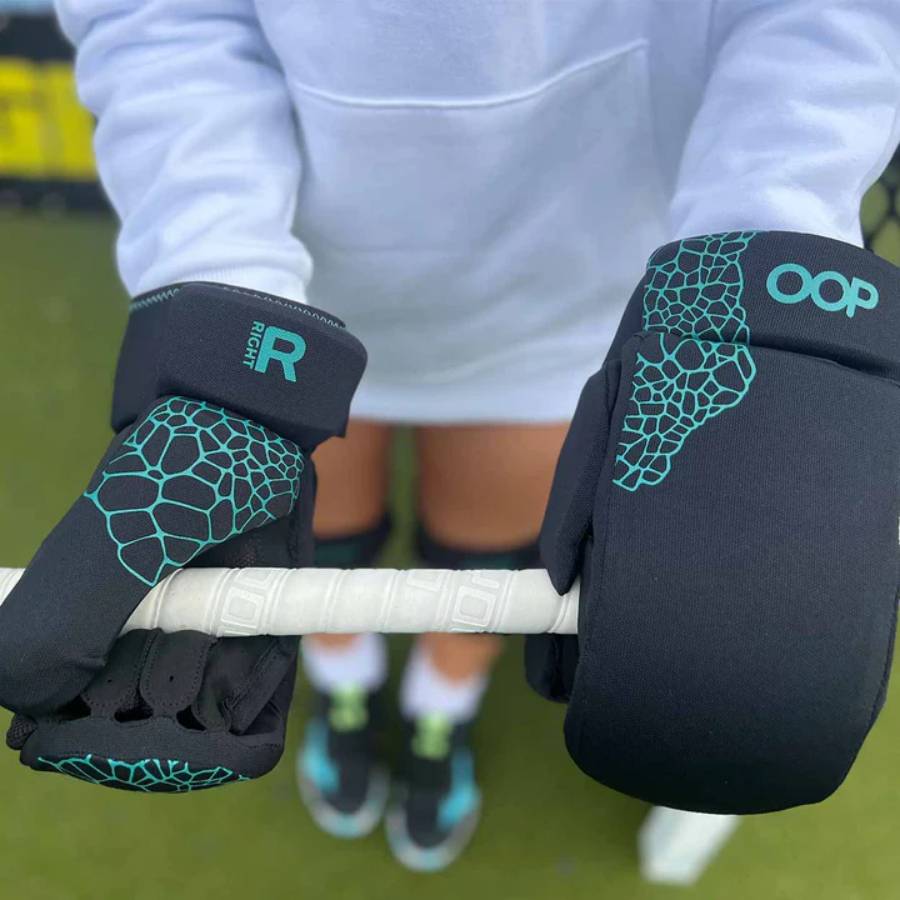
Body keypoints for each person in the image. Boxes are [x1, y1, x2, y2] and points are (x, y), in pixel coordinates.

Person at [0, 0, 896, 872]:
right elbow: (157, 15)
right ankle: (345, 683)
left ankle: (441, 701)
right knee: (305, 530)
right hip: (289, 279)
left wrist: (763, 263)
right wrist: (219, 292)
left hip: (571, 280)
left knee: (487, 551)